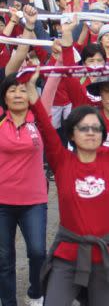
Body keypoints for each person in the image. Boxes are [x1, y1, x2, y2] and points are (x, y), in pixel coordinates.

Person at [32, 57, 109, 306]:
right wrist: (31, 90)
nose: (90, 133)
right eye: (83, 128)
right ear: (71, 134)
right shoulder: (62, 160)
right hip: (67, 256)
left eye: (96, 129)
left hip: (105, 260)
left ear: (103, 134)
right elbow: (45, 124)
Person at [0, 74, 47, 306]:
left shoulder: (39, 118)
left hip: (34, 201)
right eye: (12, 91)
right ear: (4, 98)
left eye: (22, 90)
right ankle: (7, 301)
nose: (18, 95)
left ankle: (36, 292)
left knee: (38, 253)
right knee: (3, 259)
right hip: (2, 202)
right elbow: (11, 62)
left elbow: (55, 81)